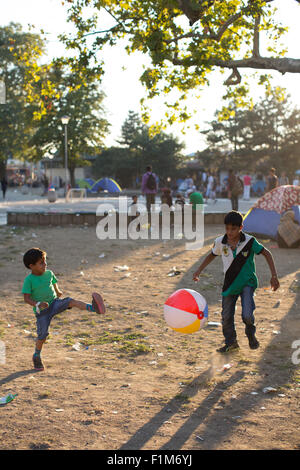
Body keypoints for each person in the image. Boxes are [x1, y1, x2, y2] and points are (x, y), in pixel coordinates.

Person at [193, 210, 280, 353]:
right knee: (226, 316)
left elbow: (267, 253)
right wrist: (198, 271)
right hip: (230, 284)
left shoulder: (249, 241)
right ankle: (231, 342)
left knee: (247, 315)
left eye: (233, 229)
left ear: (241, 228)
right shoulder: (221, 242)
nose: (229, 232)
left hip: (247, 283)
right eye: (227, 228)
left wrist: (274, 275)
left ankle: (250, 333)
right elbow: (211, 255)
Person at [22, 248, 106, 371]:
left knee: (71, 301)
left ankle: (94, 308)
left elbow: (53, 282)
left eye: (45, 261)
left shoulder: (49, 273)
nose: (45, 264)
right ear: (31, 266)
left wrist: (57, 291)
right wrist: (38, 304)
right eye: (41, 263)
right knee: (42, 336)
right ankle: (36, 355)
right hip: (42, 312)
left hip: (54, 303)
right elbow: (26, 298)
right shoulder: (29, 280)